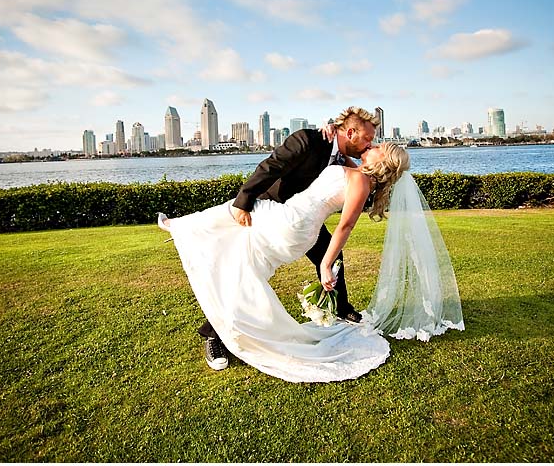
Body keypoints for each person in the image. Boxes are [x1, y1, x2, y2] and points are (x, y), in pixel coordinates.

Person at [159, 141, 464, 383]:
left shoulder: (361, 184)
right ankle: (225, 328)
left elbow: (345, 227)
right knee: (241, 267)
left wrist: (325, 264)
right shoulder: (353, 170)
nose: (371, 147)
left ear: (381, 161)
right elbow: (336, 148)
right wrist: (330, 128)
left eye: (376, 148)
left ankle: (178, 226)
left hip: (294, 223)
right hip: (294, 223)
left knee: (238, 211)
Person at [194, 106, 379, 371]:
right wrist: (243, 202)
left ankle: (340, 308)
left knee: (331, 254)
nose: (370, 144)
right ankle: (215, 334)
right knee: (248, 274)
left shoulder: (343, 156)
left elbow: (363, 181)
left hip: (304, 222)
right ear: (350, 132)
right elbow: (271, 166)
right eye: (368, 139)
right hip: (273, 216)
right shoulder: (308, 139)